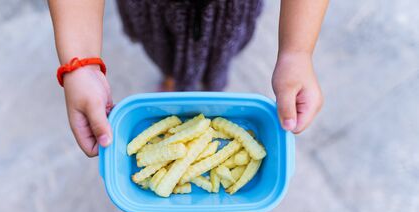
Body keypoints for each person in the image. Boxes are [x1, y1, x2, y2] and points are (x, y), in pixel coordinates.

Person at [49, 0, 328, 157]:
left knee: (221, 57)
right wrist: (81, 63)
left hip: (228, 12)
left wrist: (297, 52)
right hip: (153, 11)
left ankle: (212, 83)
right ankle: (173, 78)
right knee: (164, 55)